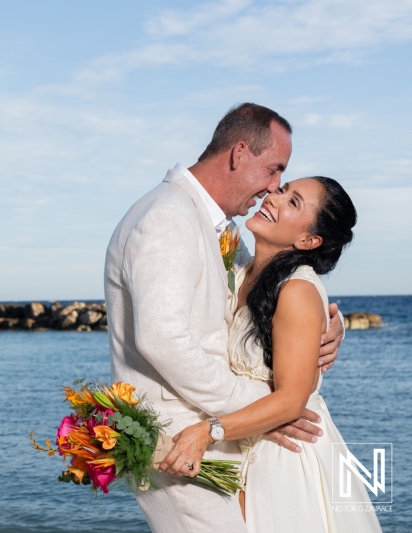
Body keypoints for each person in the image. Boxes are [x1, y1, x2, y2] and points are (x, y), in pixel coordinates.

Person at [104, 103, 344, 533]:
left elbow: (277, 291)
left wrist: (328, 327)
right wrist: (261, 409)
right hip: (177, 438)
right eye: (275, 172)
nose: (272, 188)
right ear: (238, 154)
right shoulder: (169, 217)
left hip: (216, 440)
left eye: (285, 186)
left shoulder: (223, 234)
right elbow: (162, 340)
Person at [162, 177, 382, 532]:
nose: (273, 198)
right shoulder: (244, 268)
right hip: (251, 445)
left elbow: (292, 401)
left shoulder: (295, 288)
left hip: (285, 453)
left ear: (308, 241)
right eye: (282, 190)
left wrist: (207, 431)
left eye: (293, 202)